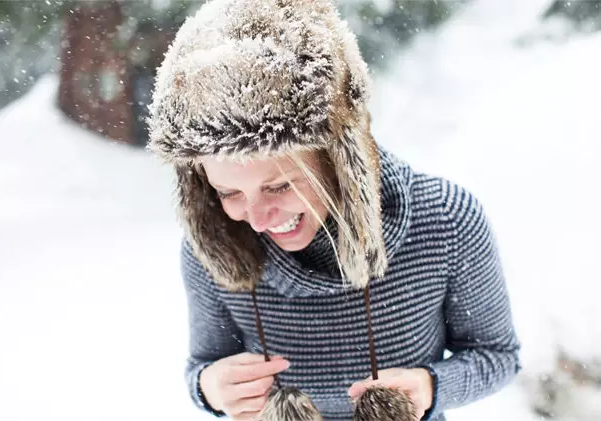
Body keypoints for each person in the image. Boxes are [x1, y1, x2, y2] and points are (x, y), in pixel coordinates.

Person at [148, 0, 521, 420]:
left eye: (279, 185)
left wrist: (433, 387)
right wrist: (210, 387)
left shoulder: (447, 220)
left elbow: (497, 355)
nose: (256, 217)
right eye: (228, 192)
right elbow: (203, 366)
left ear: (340, 161)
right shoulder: (214, 248)